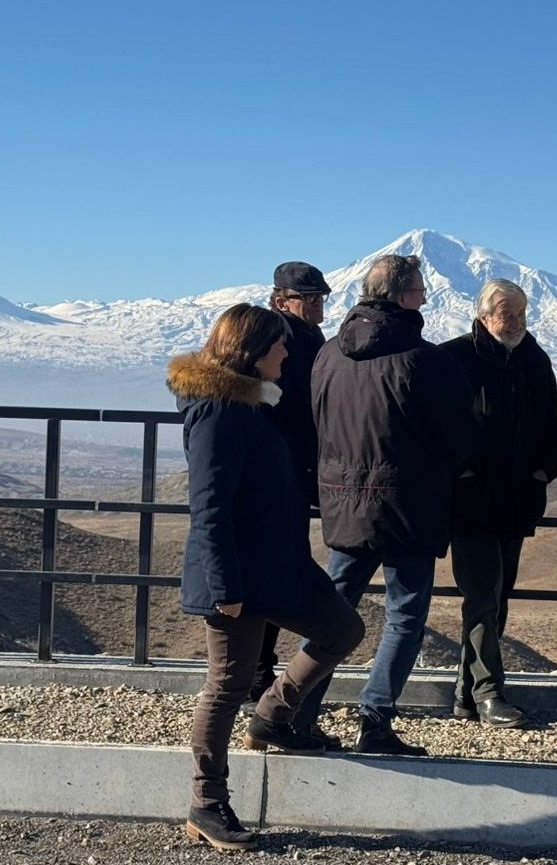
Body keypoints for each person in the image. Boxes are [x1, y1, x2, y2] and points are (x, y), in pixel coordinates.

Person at [169, 304, 365, 852]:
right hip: (237, 579)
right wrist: (225, 587)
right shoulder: (218, 412)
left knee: (342, 629)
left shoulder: (249, 406)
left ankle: (275, 716)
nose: (287, 354)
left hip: (279, 567)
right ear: (253, 351)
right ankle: (207, 805)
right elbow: (209, 508)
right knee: (225, 687)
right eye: (279, 346)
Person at [292, 253, 478, 755]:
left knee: (330, 610)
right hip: (409, 508)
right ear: (402, 296)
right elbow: (459, 437)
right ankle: (375, 720)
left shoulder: (328, 355)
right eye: (420, 289)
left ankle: (295, 711)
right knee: (404, 615)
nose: (424, 296)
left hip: (342, 503)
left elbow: (320, 424)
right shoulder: (427, 361)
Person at [440, 279, 557, 728]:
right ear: (484, 314)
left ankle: (465, 694)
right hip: (470, 500)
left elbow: (553, 422)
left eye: (522, 312)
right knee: (481, 594)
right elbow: (441, 427)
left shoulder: (535, 359)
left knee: (498, 595)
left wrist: (542, 471)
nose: (515, 322)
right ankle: (490, 692)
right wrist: (463, 471)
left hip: (518, 499)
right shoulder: (454, 358)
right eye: (506, 312)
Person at [241, 262, 332, 722]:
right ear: (282, 299)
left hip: (295, 469)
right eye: (308, 298)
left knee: (281, 564)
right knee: (274, 567)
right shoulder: (276, 339)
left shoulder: (308, 337)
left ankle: (257, 671)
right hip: (281, 471)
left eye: (320, 298)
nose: (317, 305)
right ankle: (254, 672)